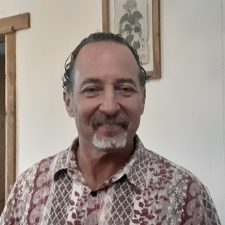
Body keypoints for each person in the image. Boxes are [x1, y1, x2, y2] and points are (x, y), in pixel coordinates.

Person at [0, 32, 221, 225]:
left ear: (142, 100)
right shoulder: (28, 188)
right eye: (92, 89)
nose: (109, 107)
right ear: (69, 102)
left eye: (125, 89)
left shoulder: (184, 195)